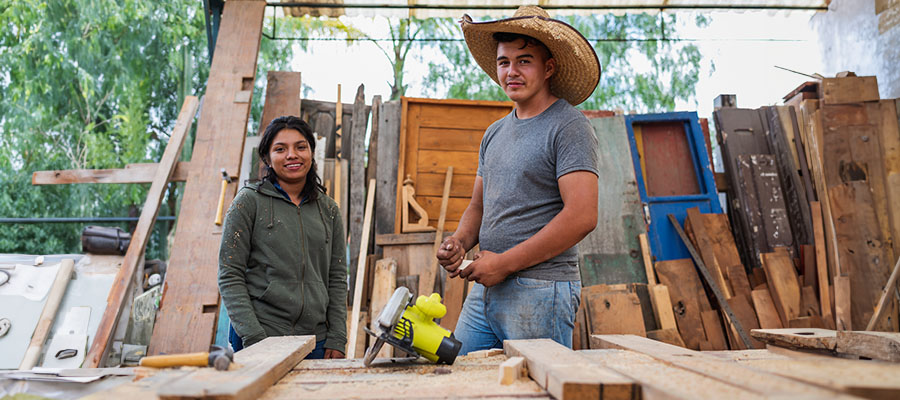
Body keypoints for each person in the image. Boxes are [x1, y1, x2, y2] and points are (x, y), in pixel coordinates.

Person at [436, 5, 601, 354]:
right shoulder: (494, 132)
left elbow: (582, 216)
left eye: (524, 61)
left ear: (548, 68)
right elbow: (479, 206)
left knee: (538, 387)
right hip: (486, 287)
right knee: (464, 380)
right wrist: (460, 242)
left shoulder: (569, 126)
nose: (511, 71)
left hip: (541, 290)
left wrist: (503, 264)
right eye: (503, 62)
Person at [218, 115, 347, 359]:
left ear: (311, 152)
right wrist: (254, 337)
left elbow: (337, 277)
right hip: (261, 333)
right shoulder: (248, 203)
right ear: (267, 157)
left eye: (301, 147)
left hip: (315, 339)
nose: (292, 155)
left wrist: (337, 337)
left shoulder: (328, 210)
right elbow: (229, 275)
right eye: (280, 149)